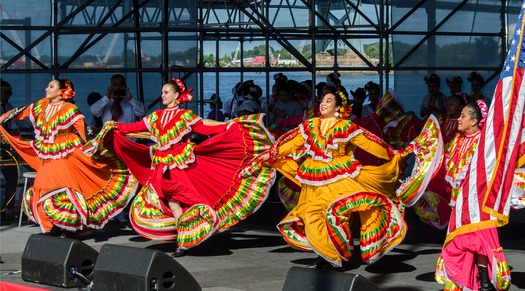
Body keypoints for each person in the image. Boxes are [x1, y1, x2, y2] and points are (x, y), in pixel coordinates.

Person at [98, 78, 275, 257]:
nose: (162, 95)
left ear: (176, 96)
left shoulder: (184, 116)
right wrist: (115, 126)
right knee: (173, 204)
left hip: (179, 166)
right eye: (162, 92)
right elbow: (134, 126)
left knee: (187, 198)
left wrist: (227, 125)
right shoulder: (156, 116)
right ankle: (183, 241)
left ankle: (199, 226)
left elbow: (206, 127)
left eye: (166, 92)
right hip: (162, 166)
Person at [260, 86, 413, 270]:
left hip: (339, 175)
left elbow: (368, 143)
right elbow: (292, 144)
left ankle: (337, 254)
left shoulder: (346, 126)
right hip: (313, 178)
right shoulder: (310, 125)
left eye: (329, 101)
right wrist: (271, 154)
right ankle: (328, 253)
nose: (323, 104)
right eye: (323, 101)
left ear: (338, 107)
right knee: (311, 215)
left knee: (332, 213)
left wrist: (391, 153)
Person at [0, 78, 138, 235]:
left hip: (66, 155)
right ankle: (55, 225)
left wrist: (98, 144)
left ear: (61, 92)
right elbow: (20, 111)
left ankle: (69, 226)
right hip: (48, 157)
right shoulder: (41, 105)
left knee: (64, 191)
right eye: (47, 85)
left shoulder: (69, 109)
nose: (46, 89)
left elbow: (85, 131)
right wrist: (3, 118)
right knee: (43, 189)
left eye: (51, 86)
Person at [435, 100, 510, 291]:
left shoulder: (483, 142)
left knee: (478, 239)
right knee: (462, 240)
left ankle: (485, 282)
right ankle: (464, 280)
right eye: (459, 115)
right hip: (459, 199)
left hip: (476, 201)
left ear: (474, 121)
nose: (459, 119)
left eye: (463, 116)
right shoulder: (457, 139)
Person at [0, 79, 31, 222]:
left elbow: (17, 118)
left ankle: (8, 209)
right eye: (6, 93)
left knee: (12, 177)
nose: (9, 96)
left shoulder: (7, 106)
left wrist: (29, 126)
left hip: (6, 148)